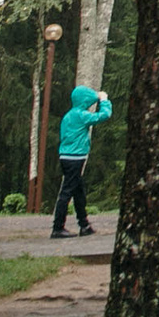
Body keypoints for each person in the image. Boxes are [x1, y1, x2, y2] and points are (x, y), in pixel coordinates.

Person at [51, 85, 110, 238]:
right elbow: (103, 116)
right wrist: (104, 101)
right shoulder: (80, 115)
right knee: (67, 191)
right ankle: (58, 228)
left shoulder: (69, 115)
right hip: (75, 158)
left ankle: (84, 224)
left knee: (78, 192)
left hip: (66, 156)